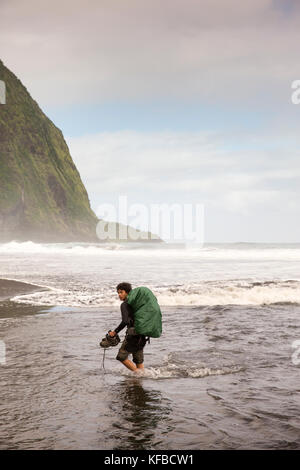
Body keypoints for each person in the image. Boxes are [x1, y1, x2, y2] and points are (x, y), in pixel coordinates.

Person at [109, 282, 147, 373]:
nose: (119, 295)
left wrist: (115, 332)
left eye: (121, 292)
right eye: (118, 293)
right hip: (142, 333)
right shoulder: (137, 303)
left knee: (121, 356)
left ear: (127, 292)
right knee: (138, 359)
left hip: (133, 335)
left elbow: (125, 321)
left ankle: (138, 375)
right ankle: (141, 379)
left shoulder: (124, 304)